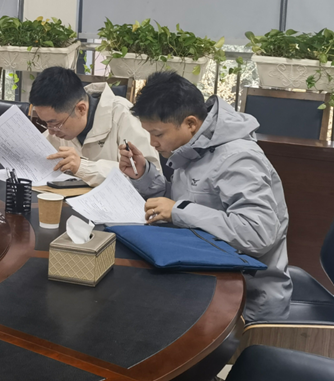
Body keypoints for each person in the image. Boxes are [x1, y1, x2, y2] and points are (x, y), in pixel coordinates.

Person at [120, 72, 292, 322]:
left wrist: (178, 212)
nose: (152, 143)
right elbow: (184, 202)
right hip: (207, 274)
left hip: (248, 298)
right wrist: (144, 175)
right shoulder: (194, 146)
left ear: (190, 123)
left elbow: (258, 233)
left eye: (158, 134)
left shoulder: (238, 158)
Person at [29, 67, 159, 186]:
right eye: (45, 123)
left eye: (55, 124)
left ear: (81, 109)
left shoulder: (124, 116)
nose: (51, 132)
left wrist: (83, 167)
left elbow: (151, 179)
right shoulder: (60, 124)